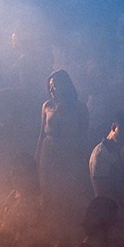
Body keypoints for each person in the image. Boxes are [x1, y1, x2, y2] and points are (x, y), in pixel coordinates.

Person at [35, 70, 89, 226]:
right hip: (48, 151)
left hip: (68, 153)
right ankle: (46, 224)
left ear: (66, 85)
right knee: (47, 188)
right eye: (50, 86)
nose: (52, 89)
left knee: (65, 189)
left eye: (55, 85)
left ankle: (64, 224)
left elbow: (84, 137)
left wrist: (81, 162)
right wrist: (36, 157)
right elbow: (41, 134)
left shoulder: (80, 108)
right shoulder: (47, 105)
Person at [88, 109, 124, 204]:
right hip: (111, 209)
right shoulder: (101, 155)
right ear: (113, 127)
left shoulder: (119, 148)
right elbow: (102, 195)